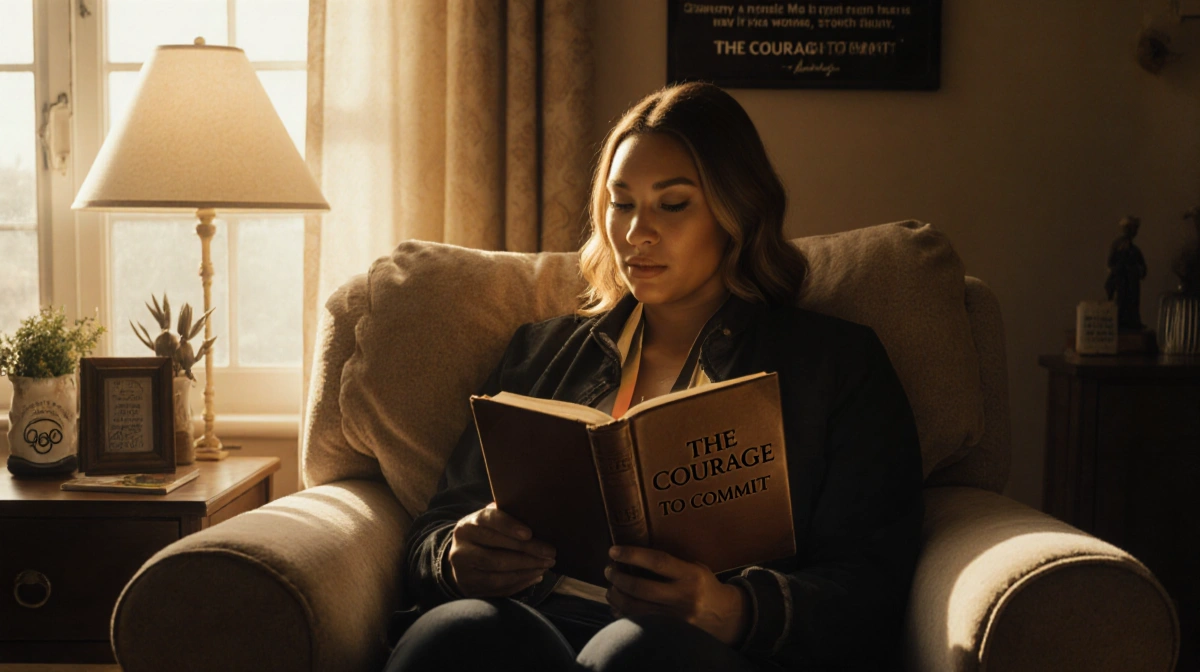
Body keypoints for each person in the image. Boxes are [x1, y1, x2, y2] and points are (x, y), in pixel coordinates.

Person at [384, 82, 924, 672]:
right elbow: (431, 533)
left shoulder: (835, 364)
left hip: (701, 646)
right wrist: (455, 557)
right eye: (621, 204)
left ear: (736, 213)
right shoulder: (540, 353)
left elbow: (873, 583)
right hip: (535, 623)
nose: (636, 233)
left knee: (637, 652)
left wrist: (733, 610)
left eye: (672, 205)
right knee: (461, 631)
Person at [1104, 215, 1148, 330]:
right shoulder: (1118, 245)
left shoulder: (1134, 249)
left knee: (1133, 301)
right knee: (1121, 301)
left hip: (1132, 280)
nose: (1134, 231)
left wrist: (1140, 270)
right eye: (1131, 228)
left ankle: (1132, 322)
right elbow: (1111, 263)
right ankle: (1121, 322)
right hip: (1121, 280)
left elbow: (1141, 263)